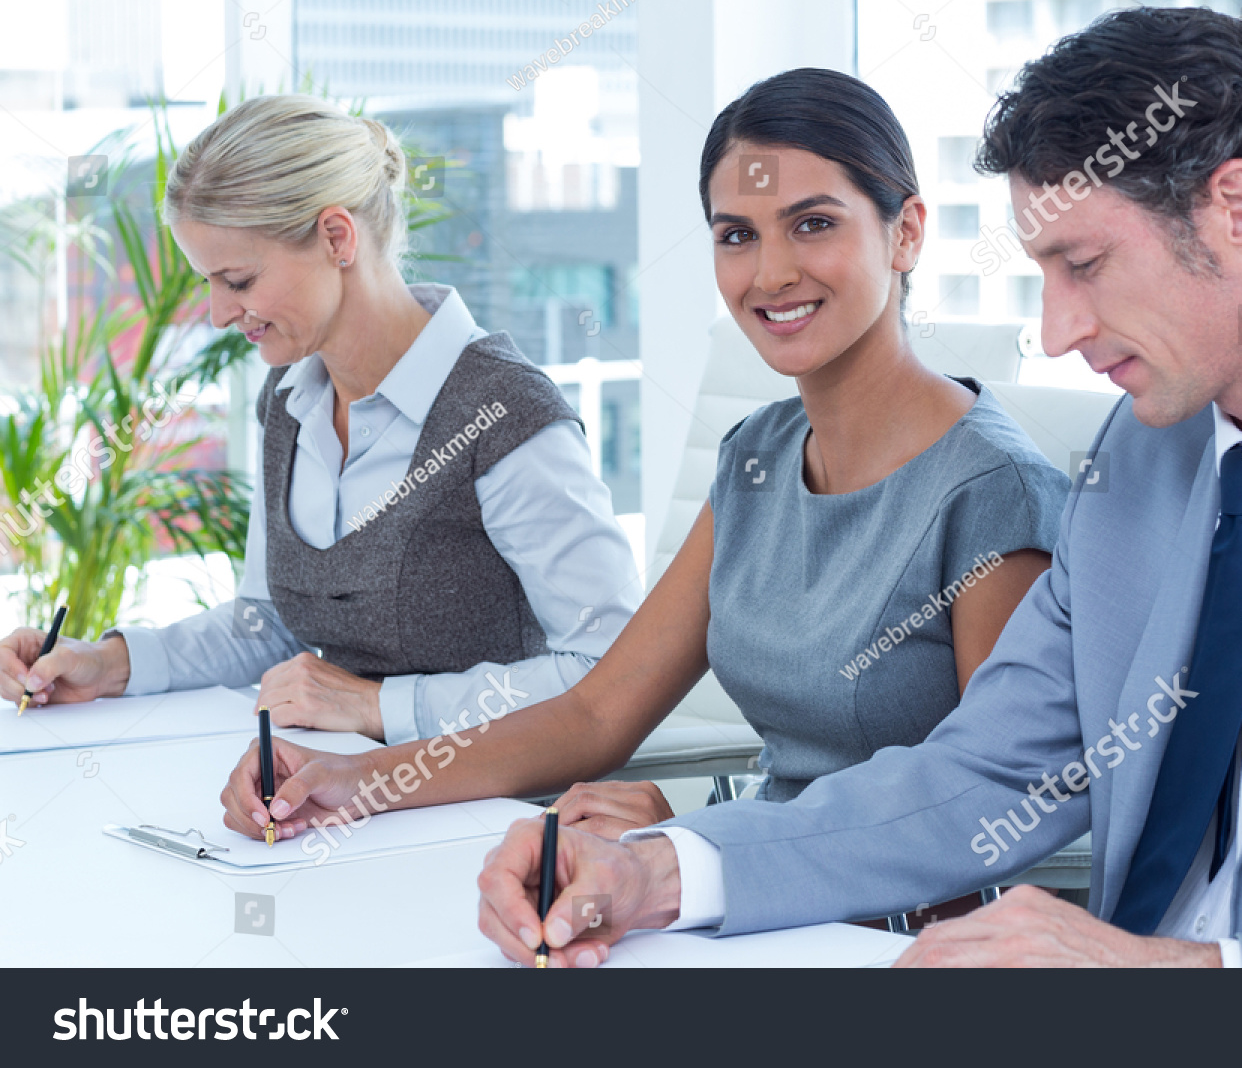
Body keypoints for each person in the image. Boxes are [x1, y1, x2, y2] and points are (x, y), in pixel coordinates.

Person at [474, 7, 1242, 968]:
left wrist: (1172, 975)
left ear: (1238, 207)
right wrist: (659, 871)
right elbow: (982, 776)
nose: (1055, 331)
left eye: (1085, 264)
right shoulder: (1144, 460)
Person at [215, 70, 1070, 911]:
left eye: (813, 224)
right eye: (736, 235)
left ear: (906, 232)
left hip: (899, 936)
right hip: (731, 901)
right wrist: (354, 781)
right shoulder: (758, 458)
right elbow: (595, 712)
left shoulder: (992, 494)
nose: (770, 273)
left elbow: (976, 803)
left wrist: (700, 842)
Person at [0, 94, 641, 746]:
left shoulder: (506, 416)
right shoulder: (290, 400)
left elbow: (613, 670)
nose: (219, 313)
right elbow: (269, 624)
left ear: (337, 238)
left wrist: (377, 706)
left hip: (495, 809)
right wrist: (108, 664)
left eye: (240, 280)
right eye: (210, 283)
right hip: (336, 791)